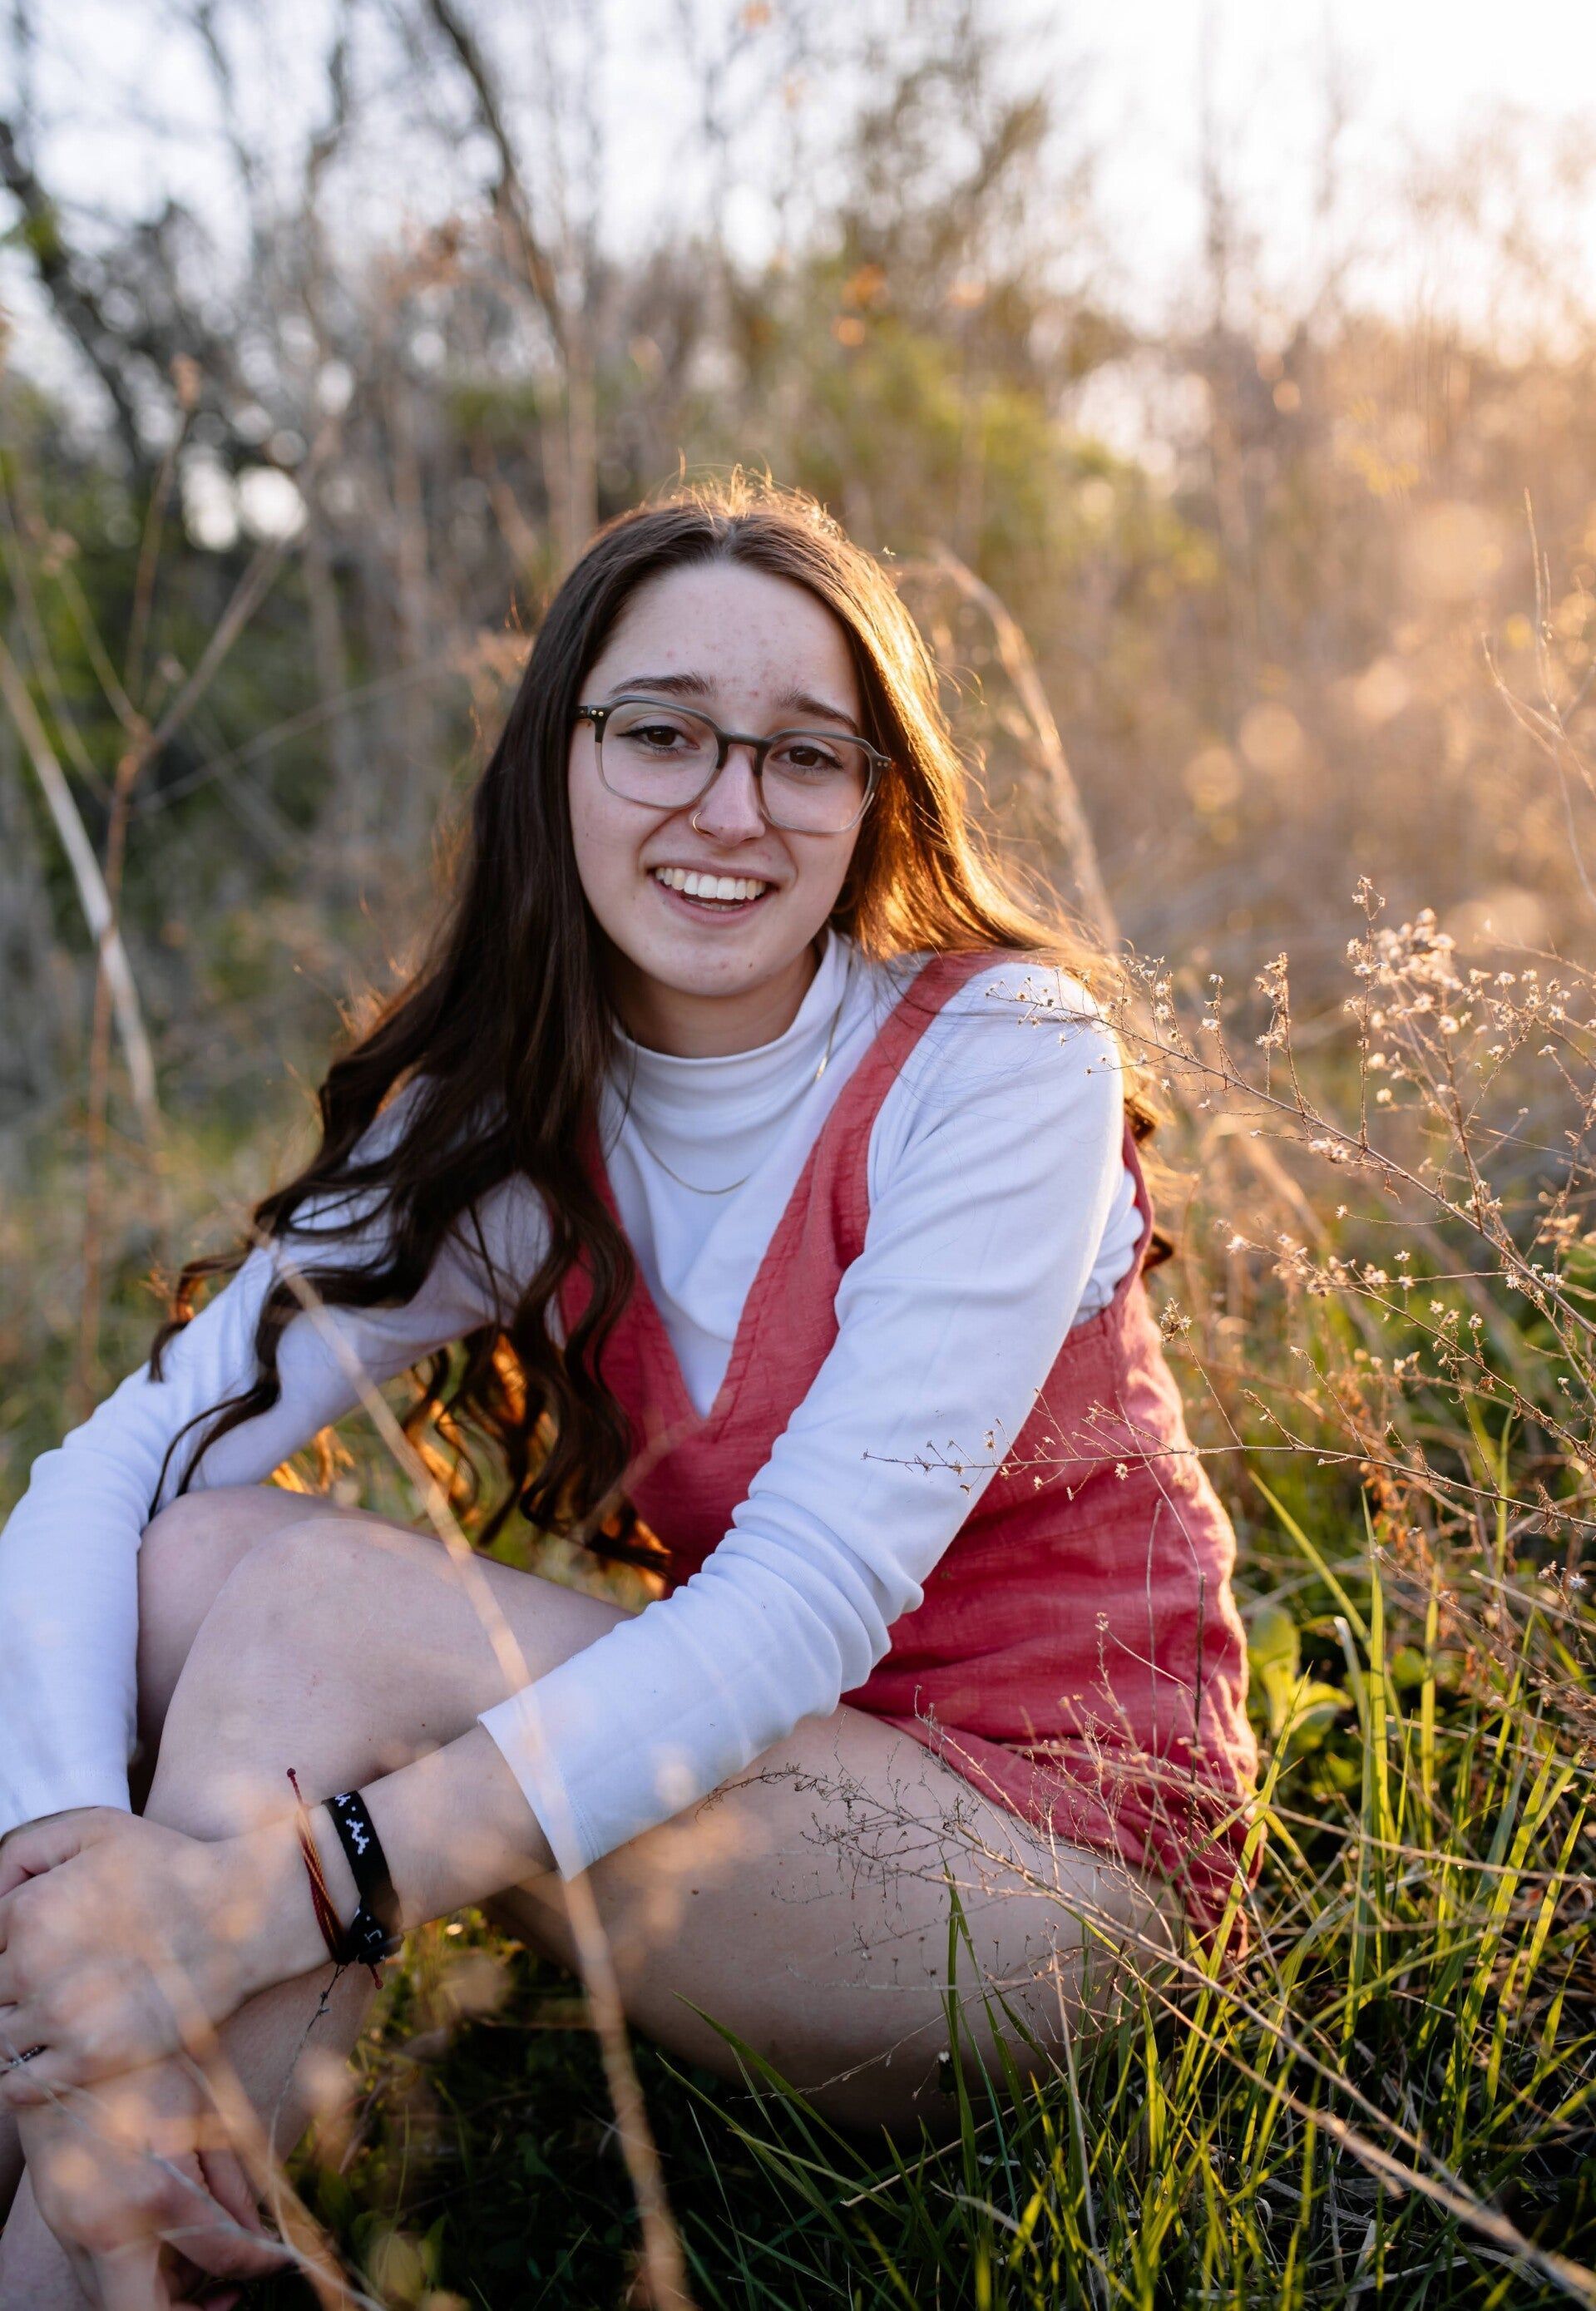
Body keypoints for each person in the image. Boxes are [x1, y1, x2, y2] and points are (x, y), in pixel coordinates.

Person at [0, 478, 1256, 2307]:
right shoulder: (513, 1116)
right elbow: (101, 1475)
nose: (730, 807)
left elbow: (799, 1613)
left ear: (873, 800)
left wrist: (259, 1901)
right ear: (559, 760)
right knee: (192, 1556)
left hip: (1045, 1890)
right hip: (759, 1830)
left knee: (314, 1615)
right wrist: (68, 1877)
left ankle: (83, 2241)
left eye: (804, 755)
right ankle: (106, 2188)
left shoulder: (998, 1061)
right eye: (662, 731)